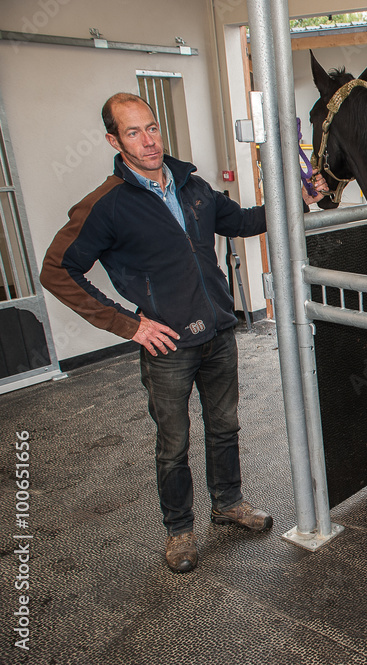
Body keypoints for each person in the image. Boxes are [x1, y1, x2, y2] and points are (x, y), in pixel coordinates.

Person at [40, 92, 328, 574]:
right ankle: (179, 532)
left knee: (225, 427)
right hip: (167, 345)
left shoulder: (192, 186)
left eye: (151, 127)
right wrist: (129, 324)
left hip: (218, 329)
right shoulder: (106, 206)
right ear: (114, 139)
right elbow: (57, 270)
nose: (148, 141)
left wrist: (297, 200)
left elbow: (241, 221)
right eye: (133, 132)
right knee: (173, 444)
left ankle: (229, 504)